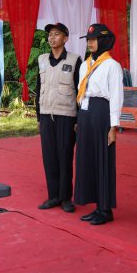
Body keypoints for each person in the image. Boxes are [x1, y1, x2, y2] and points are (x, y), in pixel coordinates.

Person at [74, 24, 124, 226]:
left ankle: (105, 209)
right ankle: (95, 205)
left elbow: (116, 96)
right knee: (87, 158)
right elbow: (81, 91)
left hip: (102, 111)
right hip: (86, 112)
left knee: (103, 158)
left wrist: (113, 126)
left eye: (93, 39)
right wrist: (79, 118)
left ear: (103, 41)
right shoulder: (85, 64)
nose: (90, 43)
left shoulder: (112, 65)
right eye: (88, 39)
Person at [35, 23, 82, 213]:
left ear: (65, 38)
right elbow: (39, 87)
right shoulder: (42, 60)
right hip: (47, 114)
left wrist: (78, 119)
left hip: (67, 116)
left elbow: (80, 90)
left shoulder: (75, 60)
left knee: (65, 156)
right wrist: (39, 116)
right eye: (50, 35)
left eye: (56, 34)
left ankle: (65, 198)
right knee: (49, 157)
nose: (52, 38)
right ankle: (53, 196)